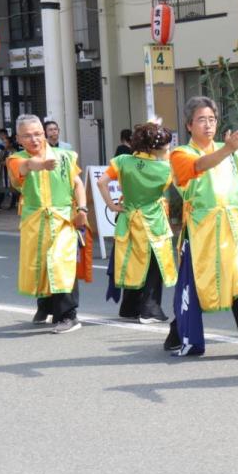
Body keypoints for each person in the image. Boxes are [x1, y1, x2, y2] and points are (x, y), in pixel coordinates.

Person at [162, 97, 238, 359]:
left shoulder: (229, 152)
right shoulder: (181, 153)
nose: (208, 125)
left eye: (212, 119)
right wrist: (227, 150)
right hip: (201, 228)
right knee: (194, 282)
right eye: (201, 120)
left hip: (231, 225)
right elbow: (199, 167)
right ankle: (179, 332)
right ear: (189, 125)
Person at [6, 114, 88, 333]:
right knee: (40, 264)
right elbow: (26, 167)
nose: (34, 139)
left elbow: (78, 183)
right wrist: (41, 164)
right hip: (35, 219)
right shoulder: (15, 159)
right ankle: (46, 305)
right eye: (28, 136)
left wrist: (82, 208)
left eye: (38, 134)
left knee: (62, 261)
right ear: (19, 139)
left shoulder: (66, 156)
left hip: (62, 218)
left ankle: (69, 315)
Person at [98, 122, 176, 324]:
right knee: (153, 265)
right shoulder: (166, 168)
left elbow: (101, 182)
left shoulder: (122, 161)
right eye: (165, 146)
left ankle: (129, 307)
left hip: (128, 217)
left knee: (132, 264)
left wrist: (112, 205)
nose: (168, 149)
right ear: (154, 147)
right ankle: (149, 309)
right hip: (153, 220)